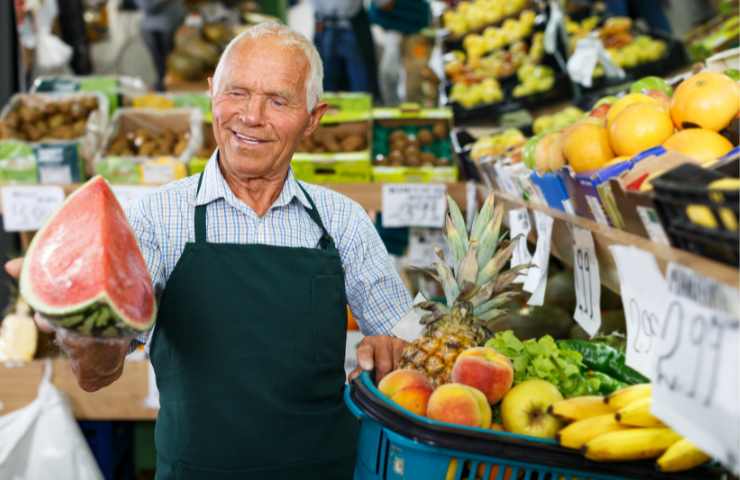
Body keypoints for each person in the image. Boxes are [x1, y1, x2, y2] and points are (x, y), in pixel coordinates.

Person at [5, 22, 411, 479]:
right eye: (236, 93)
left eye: (278, 100)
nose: (251, 116)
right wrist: (78, 331)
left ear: (313, 119)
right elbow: (98, 374)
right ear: (211, 95)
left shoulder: (342, 221)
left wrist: (390, 352)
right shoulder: (156, 219)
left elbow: (407, 343)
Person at [311, 0, 391, 97]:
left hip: (352, 27)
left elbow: (385, 4)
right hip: (323, 28)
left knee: (361, 85)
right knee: (325, 87)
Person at [135, 0, 186, 90]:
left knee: (173, 67)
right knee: (162, 67)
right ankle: (162, 88)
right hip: (155, 30)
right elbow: (147, 7)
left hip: (174, 27)